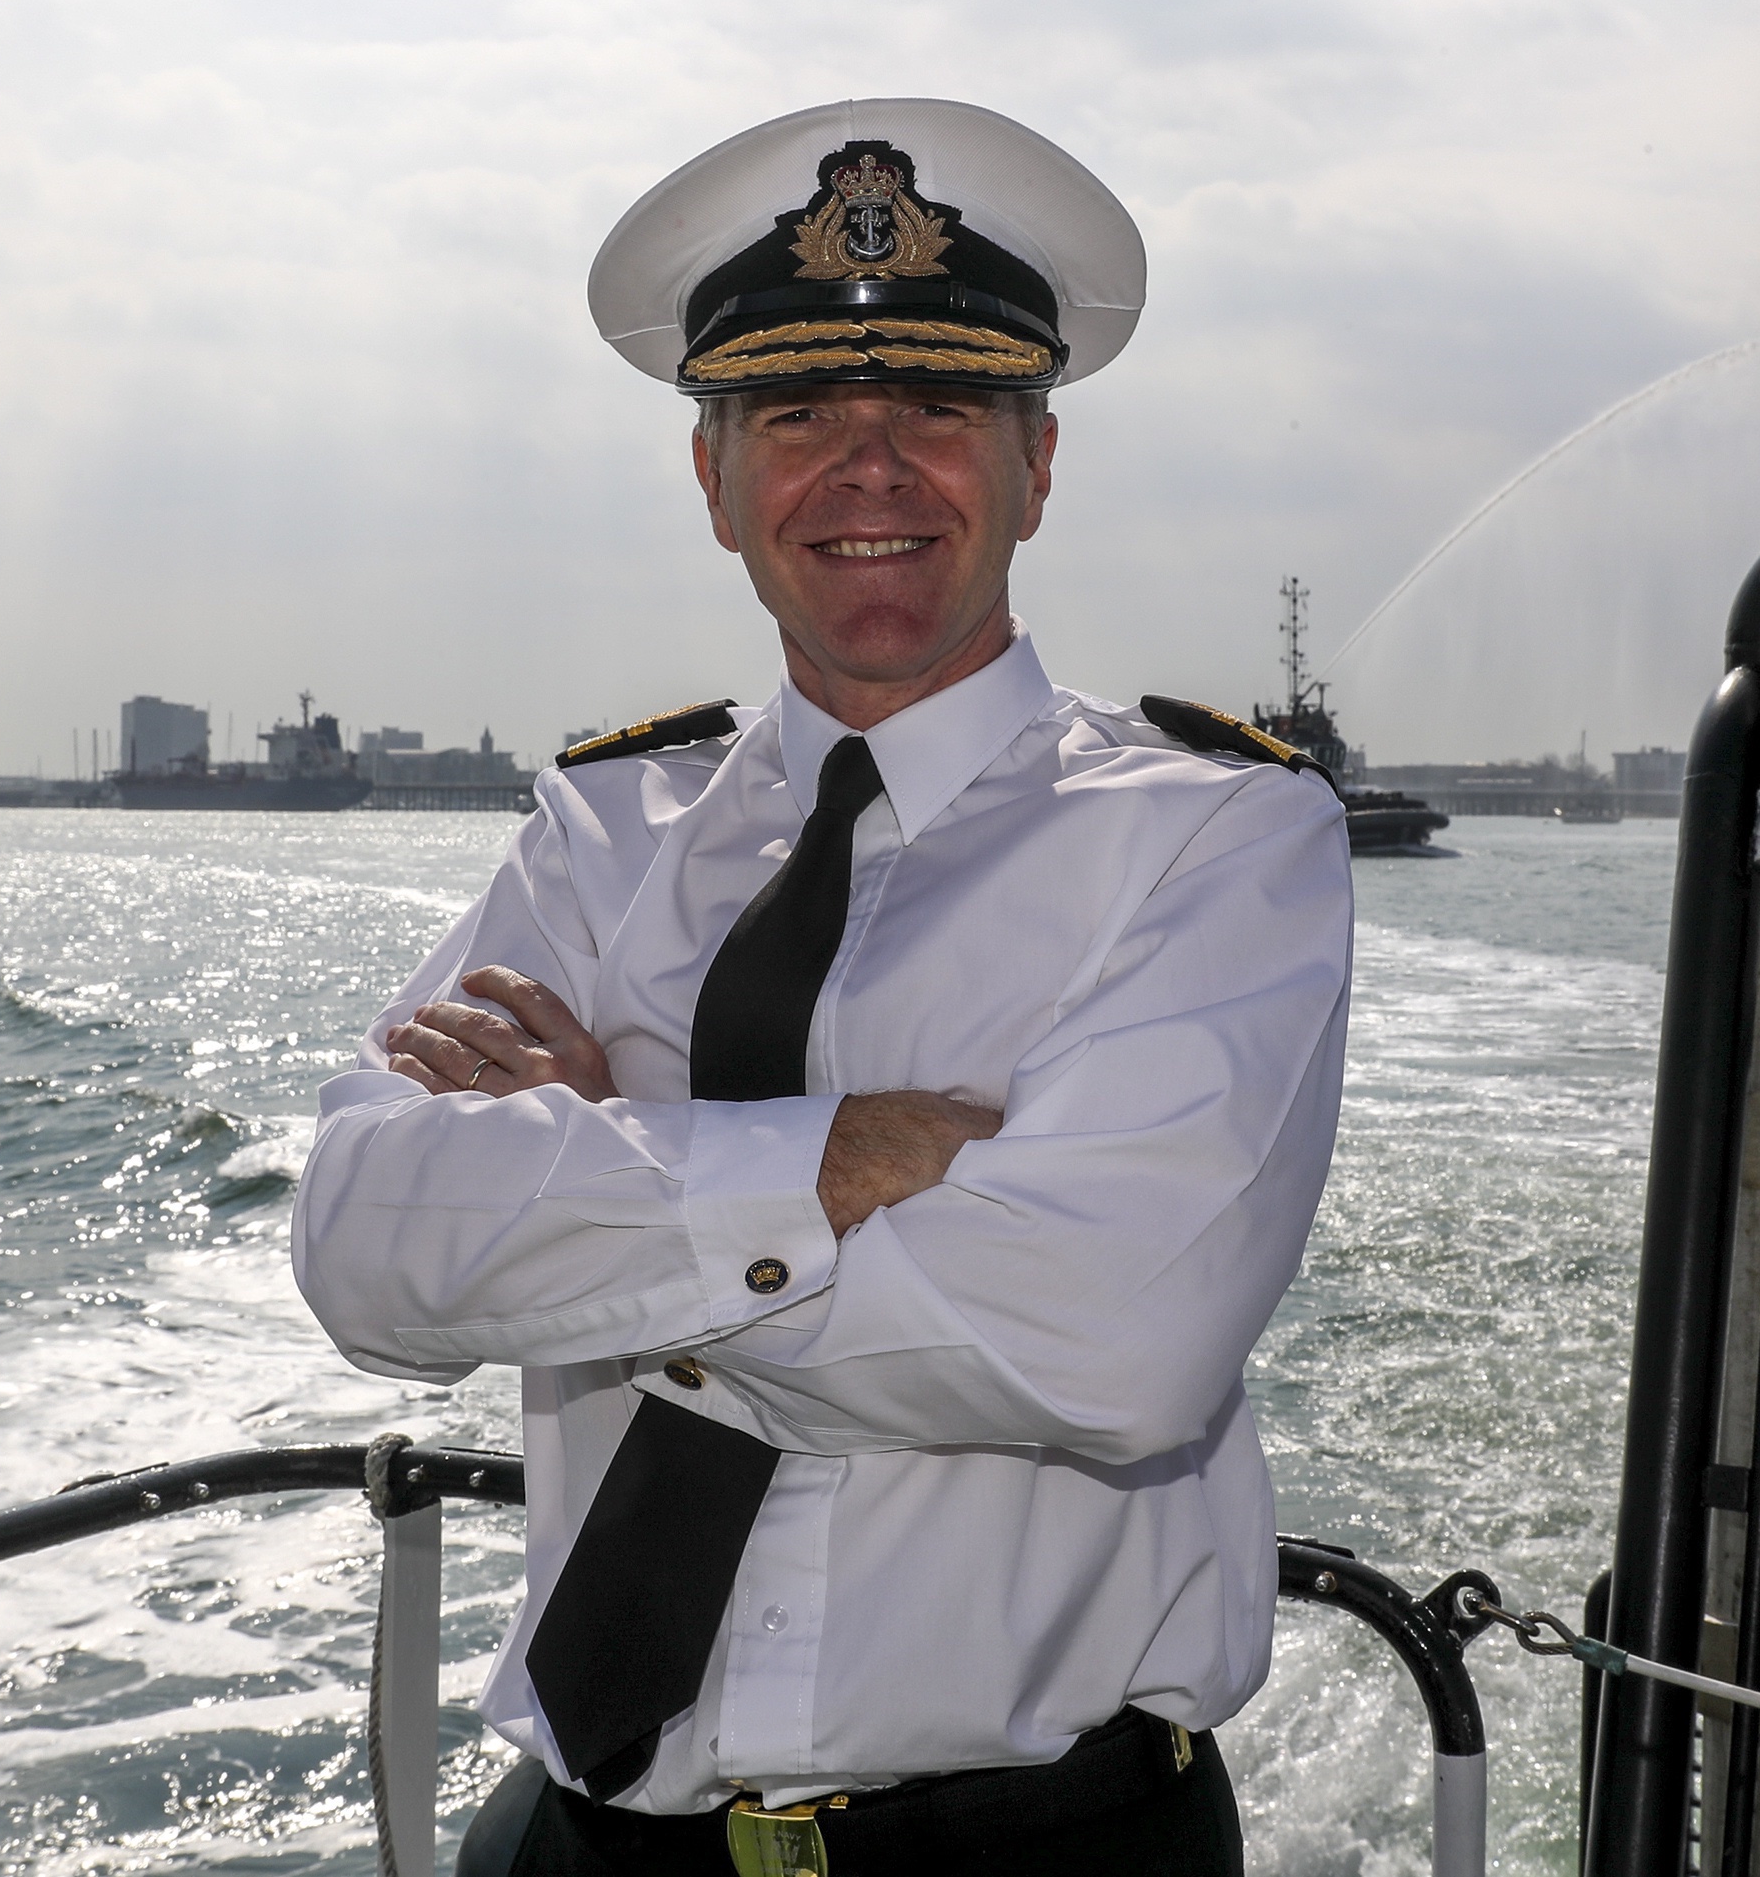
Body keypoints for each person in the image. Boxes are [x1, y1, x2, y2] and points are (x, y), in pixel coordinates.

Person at [292, 97, 1355, 1876]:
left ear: (1038, 463)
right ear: (714, 482)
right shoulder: (600, 829)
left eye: (937, 409)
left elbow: (1116, 1342)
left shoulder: (1216, 837)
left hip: (1036, 1847)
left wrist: (604, 1172)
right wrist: (839, 1161)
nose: (871, 470)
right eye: (796, 418)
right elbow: (366, 1243)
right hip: (592, 1834)